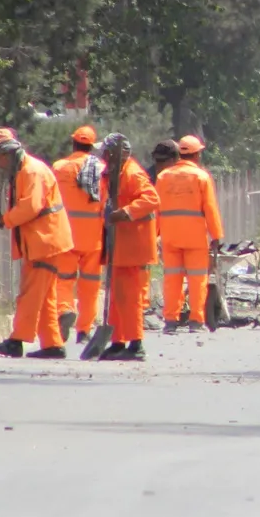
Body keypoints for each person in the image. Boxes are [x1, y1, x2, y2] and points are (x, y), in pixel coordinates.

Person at [0, 129, 76, 359]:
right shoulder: (27, 169)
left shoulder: (31, 171)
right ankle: (53, 345)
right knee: (45, 298)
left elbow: (31, 207)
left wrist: (4, 219)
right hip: (45, 241)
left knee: (30, 295)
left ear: (7, 152)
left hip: (44, 242)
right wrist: (6, 221)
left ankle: (16, 341)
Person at [92, 134, 160, 360]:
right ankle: (118, 341)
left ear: (115, 153)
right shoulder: (114, 172)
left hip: (134, 248)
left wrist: (126, 212)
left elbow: (151, 199)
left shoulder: (133, 173)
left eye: (105, 152)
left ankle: (135, 344)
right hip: (119, 247)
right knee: (117, 297)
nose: (101, 155)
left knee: (129, 299)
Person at [156, 134, 223, 331]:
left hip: (170, 236)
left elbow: (156, 208)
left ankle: (170, 321)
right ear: (197, 155)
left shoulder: (163, 177)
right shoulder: (202, 177)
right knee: (197, 279)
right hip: (195, 237)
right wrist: (216, 235)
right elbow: (210, 208)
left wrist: (153, 235)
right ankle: (196, 320)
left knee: (172, 279)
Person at [51, 125, 106, 345]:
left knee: (63, 281)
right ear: (92, 146)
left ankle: (65, 311)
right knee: (90, 286)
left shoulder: (59, 167)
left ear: (73, 143)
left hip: (65, 235)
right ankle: (84, 331)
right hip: (93, 238)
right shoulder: (102, 169)